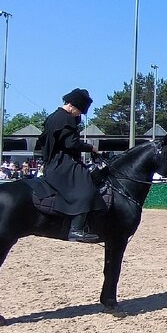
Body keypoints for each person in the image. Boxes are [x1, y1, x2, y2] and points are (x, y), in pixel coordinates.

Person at [39, 88, 103, 243]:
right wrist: (91, 148)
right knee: (86, 187)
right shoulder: (65, 118)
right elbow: (70, 143)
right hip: (62, 162)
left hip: (53, 161)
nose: (79, 115)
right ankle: (76, 229)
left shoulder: (53, 116)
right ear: (73, 106)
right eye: (79, 111)